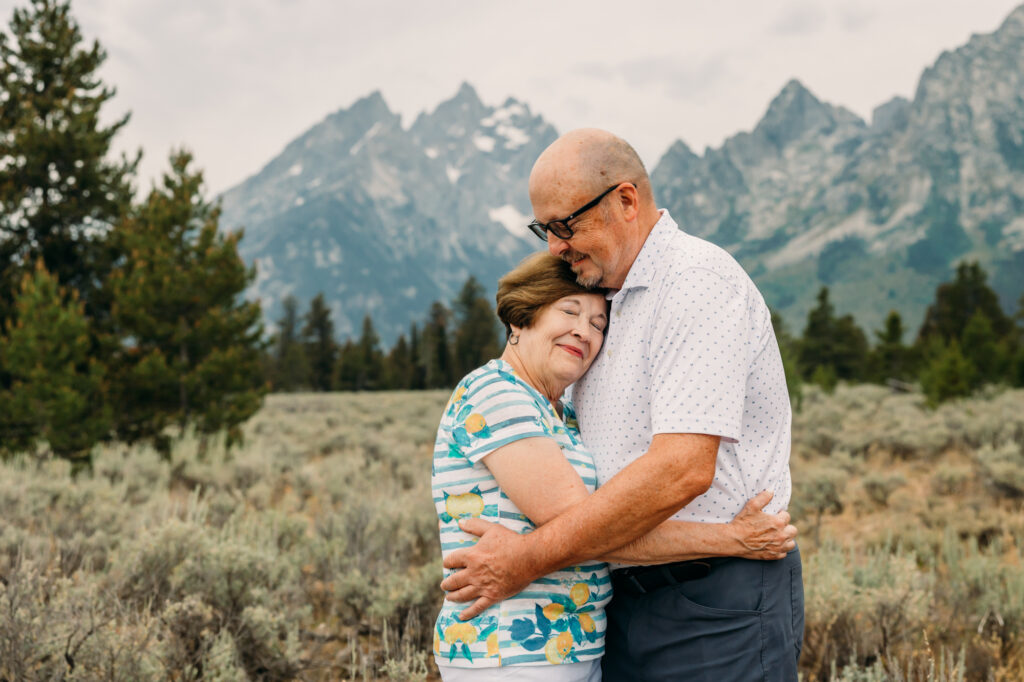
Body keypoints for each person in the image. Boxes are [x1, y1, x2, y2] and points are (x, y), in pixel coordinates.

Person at [440, 129, 803, 681]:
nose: (554, 247)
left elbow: (682, 469)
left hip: (712, 597)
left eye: (565, 225)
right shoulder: (607, 296)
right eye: (545, 230)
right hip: (618, 601)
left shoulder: (694, 282)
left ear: (626, 201)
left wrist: (527, 558)